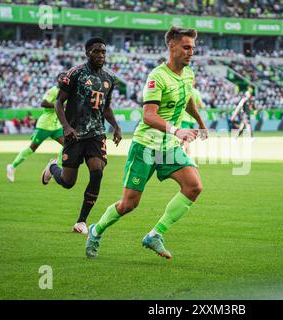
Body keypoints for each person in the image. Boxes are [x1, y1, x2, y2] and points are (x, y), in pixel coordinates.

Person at [85, 26, 208, 259]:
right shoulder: (157, 77)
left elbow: (187, 98)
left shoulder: (189, 74)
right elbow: (148, 115)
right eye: (186, 47)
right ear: (171, 46)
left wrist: (200, 122)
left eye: (193, 47)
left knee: (194, 186)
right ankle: (96, 229)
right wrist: (177, 130)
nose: (191, 52)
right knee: (128, 204)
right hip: (146, 146)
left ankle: (155, 235)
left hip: (168, 147)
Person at [40, 37, 122, 234]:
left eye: (103, 51)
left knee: (97, 172)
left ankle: (81, 221)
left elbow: (106, 107)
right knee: (68, 182)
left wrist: (116, 127)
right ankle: (52, 167)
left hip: (96, 134)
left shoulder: (109, 78)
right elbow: (59, 102)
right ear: (87, 53)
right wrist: (66, 127)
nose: (101, 55)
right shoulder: (74, 74)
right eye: (96, 51)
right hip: (75, 133)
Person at [6, 72, 66, 182]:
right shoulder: (53, 90)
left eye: (65, 78)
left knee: (67, 144)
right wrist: (58, 105)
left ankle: (57, 166)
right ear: (57, 80)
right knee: (32, 148)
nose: (63, 80)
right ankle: (12, 166)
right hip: (45, 125)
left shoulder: (65, 92)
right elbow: (43, 103)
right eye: (61, 78)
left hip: (56, 125)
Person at [181, 82, 205, 155]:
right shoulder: (196, 92)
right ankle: (188, 157)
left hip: (184, 119)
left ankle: (176, 148)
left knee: (186, 139)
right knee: (187, 139)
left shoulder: (183, 91)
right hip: (191, 119)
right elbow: (201, 106)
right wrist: (195, 108)